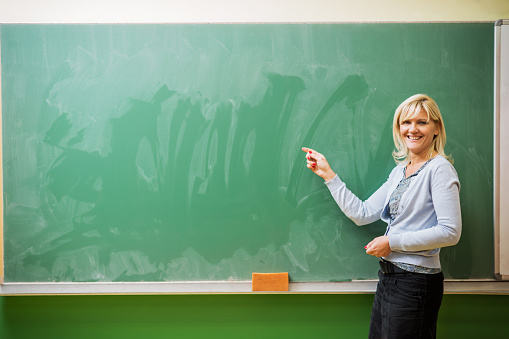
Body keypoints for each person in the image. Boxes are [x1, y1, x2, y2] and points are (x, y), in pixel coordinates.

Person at [303, 94, 461, 339]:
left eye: (422, 122)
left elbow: (450, 232)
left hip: (416, 283)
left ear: (436, 128)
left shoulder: (439, 169)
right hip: (390, 279)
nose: (413, 129)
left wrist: (392, 242)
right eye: (406, 122)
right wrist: (329, 175)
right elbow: (362, 213)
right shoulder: (400, 172)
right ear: (399, 128)